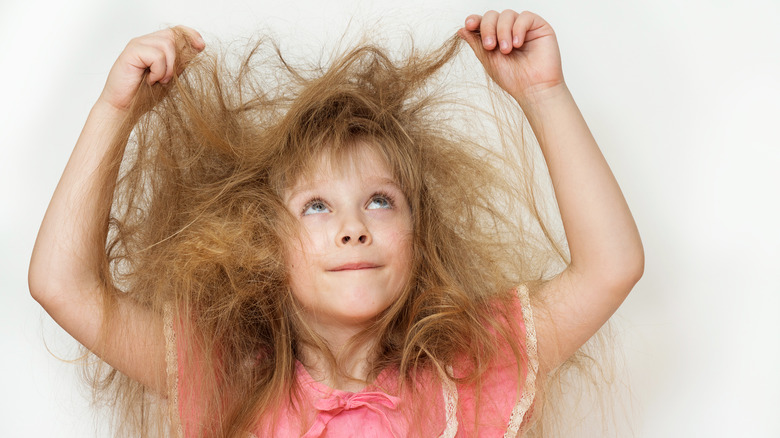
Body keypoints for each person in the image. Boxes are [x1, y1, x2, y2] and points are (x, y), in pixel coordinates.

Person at [29, 9, 643, 437]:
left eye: (380, 201)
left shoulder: (474, 369)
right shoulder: (221, 375)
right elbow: (62, 286)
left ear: (419, 236)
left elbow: (609, 268)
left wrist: (543, 93)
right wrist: (117, 112)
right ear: (263, 243)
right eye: (316, 207)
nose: (353, 228)